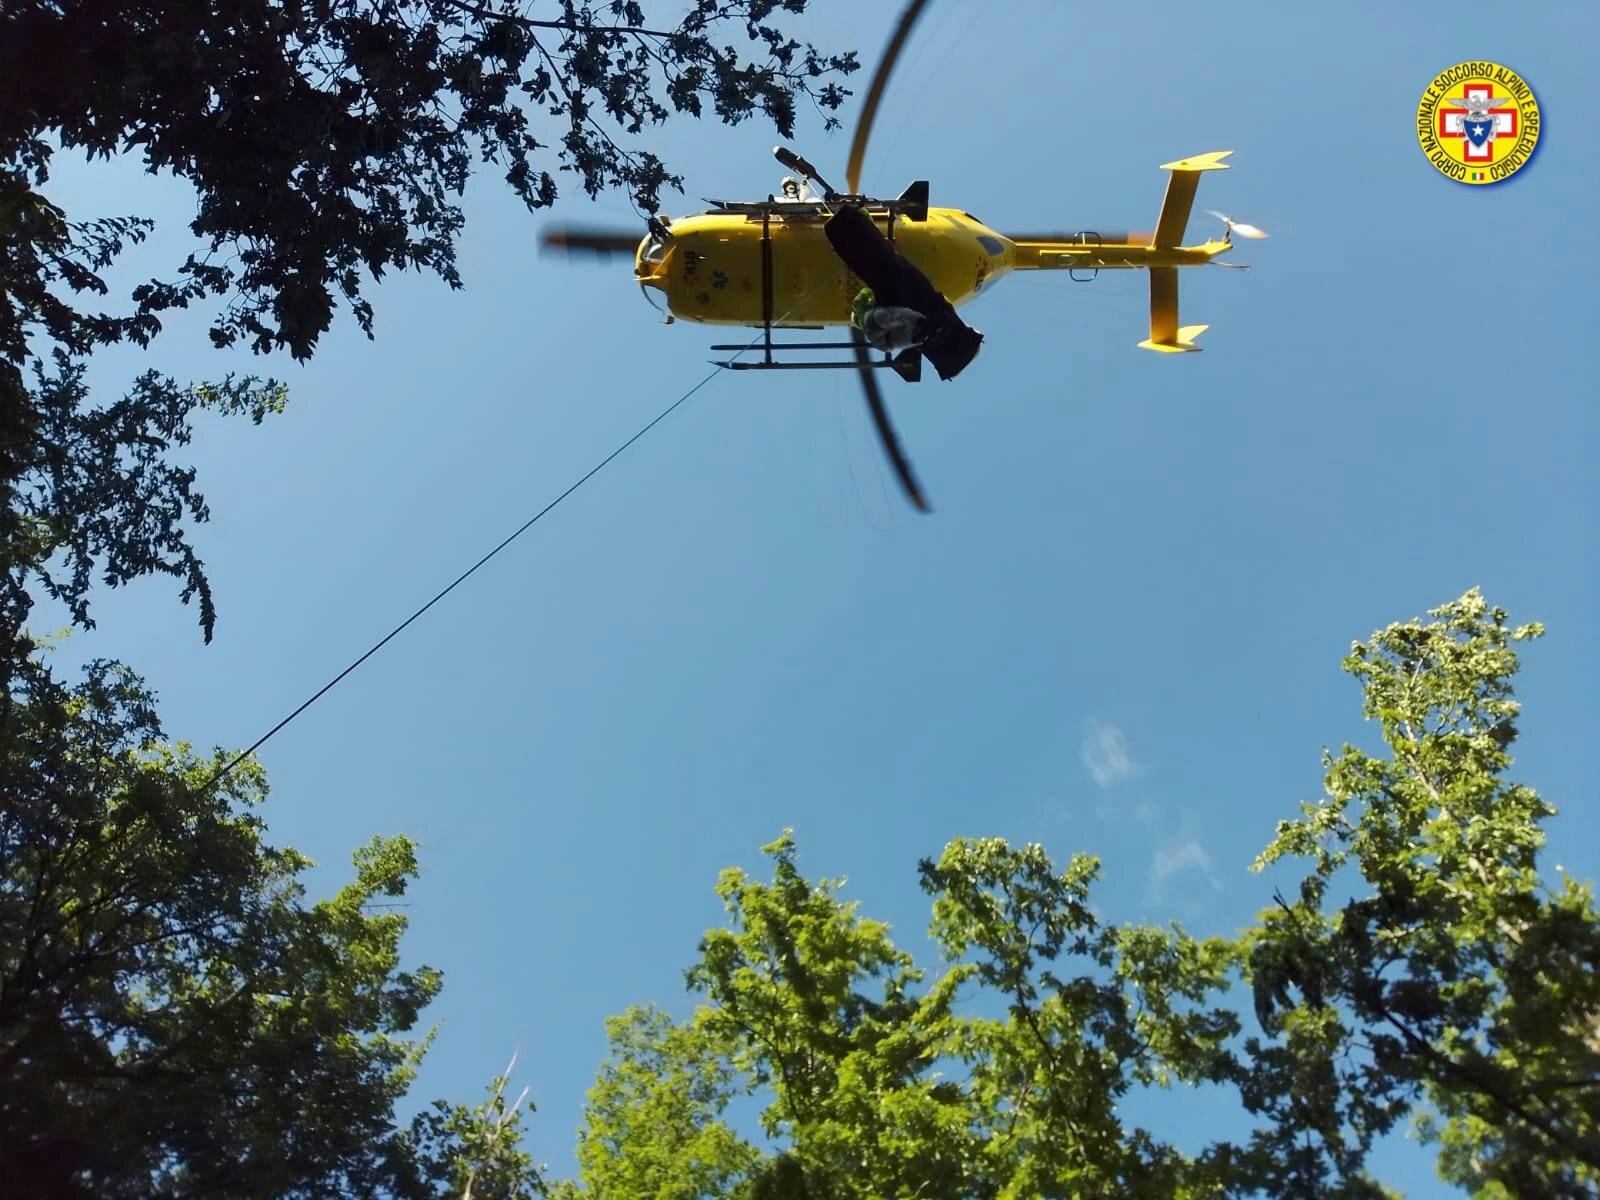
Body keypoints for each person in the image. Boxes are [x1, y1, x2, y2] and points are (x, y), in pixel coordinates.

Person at [825, 204, 983, 380]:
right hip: (913, 310)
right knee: (887, 269)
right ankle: (849, 224)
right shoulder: (905, 327)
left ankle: (849, 224)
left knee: (888, 269)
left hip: (913, 308)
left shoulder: (914, 322)